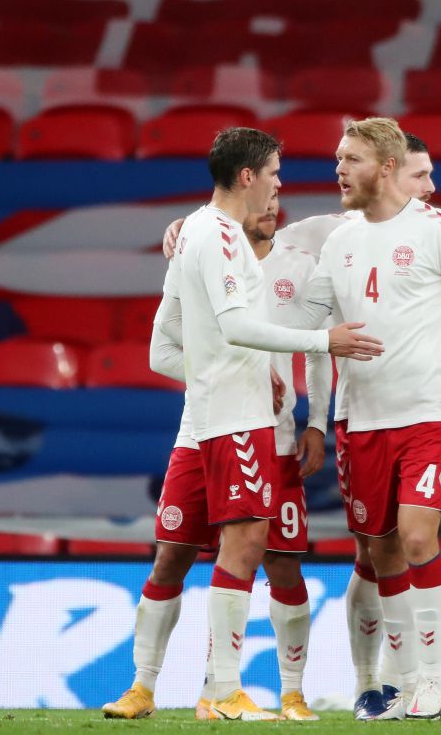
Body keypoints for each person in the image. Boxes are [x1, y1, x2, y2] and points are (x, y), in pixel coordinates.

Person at [142, 127, 382, 721]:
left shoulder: (213, 234)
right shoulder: (217, 237)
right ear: (248, 176)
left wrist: (303, 410)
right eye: (274, 173)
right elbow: (234, 328)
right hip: (231, 423)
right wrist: (313, 342)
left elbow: (169, 348)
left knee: (267, 555)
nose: (280, 186)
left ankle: (250, 690)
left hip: (253, 423)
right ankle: (216, 690)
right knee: (237, 546)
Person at [301, 117, 441, 720]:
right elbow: (309, 313)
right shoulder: (339, 239)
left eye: (350, 159)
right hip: (361, 418)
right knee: (382, 553)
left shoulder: (436, 233)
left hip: (429, 412)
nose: (338, 169)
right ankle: (402, 684)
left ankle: (430, 682)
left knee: (421, 537)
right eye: (338, 158)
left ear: (387, 167)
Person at [103, 193, 327, 721]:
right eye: (264, 192)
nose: (272, 204)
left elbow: (317, 349)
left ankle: (288, 692)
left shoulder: (300, 262)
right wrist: (229, 377)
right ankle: (143, 688)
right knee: (172, 555)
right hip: (200, 429)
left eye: (277, 195)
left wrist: (317, 421)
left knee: (282, 565)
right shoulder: (201, 249)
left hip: (273, 436)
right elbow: (164, 351)